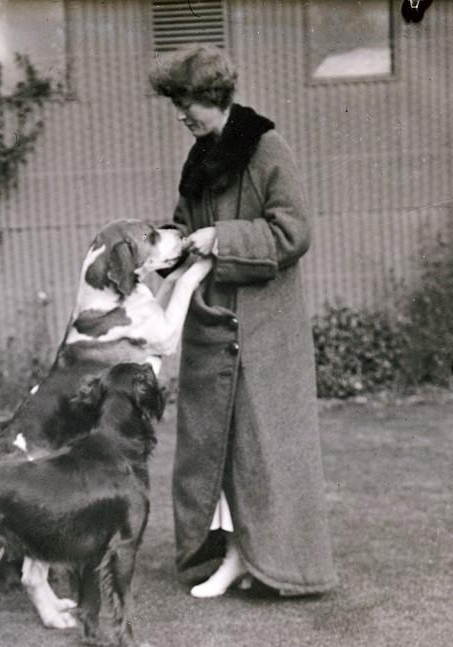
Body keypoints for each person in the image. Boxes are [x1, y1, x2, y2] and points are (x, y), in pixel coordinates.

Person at [149, 45, 338, 598]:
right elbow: (187, 224)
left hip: (263, 331)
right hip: (213, 327)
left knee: (264, 452)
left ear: (215, 96)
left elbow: (293, 232)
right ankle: (234, 556)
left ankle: (273, 565)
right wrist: (172, 243)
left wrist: (223, 238)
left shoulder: (266, 148)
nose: (181, 114)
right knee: (219, 453)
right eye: (176, 104)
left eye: (187, 103)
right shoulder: (202, 155)